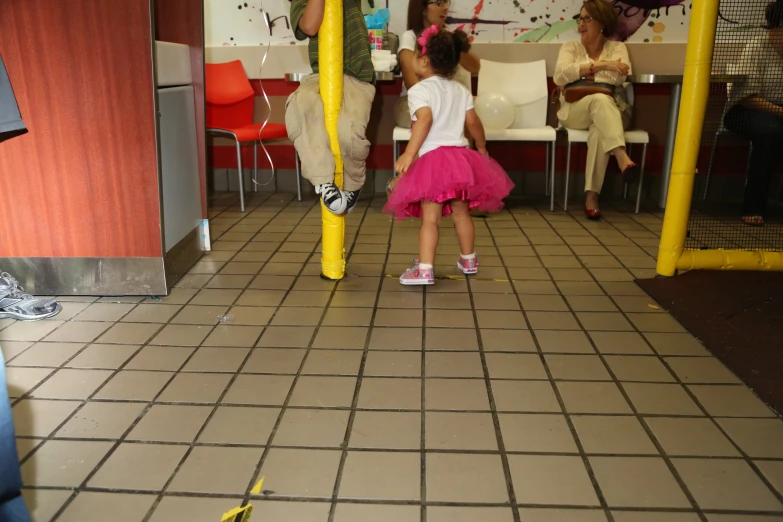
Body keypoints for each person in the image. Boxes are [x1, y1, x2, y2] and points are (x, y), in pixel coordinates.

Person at [384, 27, 514, 286]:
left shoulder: (419, 91)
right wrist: (481, 146)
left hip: (434, 163)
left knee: (430, 219)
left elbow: (425, 120)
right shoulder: (460, 90)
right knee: (461, 214)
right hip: (461, 162)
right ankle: (468, 259)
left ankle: (424, 268)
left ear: (423, 60)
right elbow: (474, 122)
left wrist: (409, 154)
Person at [286, 0, 376, 215]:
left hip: (356, 76)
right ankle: (322, 180)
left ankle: (353, 184)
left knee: (348, 132)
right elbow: (309, 26)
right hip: (321, 75)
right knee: (300, 105)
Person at [553, 0, 638, 221]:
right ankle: (621, 156)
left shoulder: (617, 48)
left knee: (600, 127)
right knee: (600, 99)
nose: (581, 24)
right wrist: (600, 66)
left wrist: (580, 73)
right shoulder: (570, 47)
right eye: (580, 19)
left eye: (587, 19)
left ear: (602, 22)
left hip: (609, 113)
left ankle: (591, 197)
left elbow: (619, 77)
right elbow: (560, 76)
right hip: (574, 111)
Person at [723, 0, 783, 226]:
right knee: (770, 130)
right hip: (746, 110)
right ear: (776, 26)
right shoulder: (756, 47)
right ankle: (753, 205)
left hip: (779, 112)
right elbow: (746, 97)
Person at [395, 0, 481, 129]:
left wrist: (454, 43)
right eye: (439, 3)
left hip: (447, 101)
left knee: (465, 115)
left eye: (446, 3)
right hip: (414, 102)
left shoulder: (449, 37)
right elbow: (412, 85)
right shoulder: (410, 37)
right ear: (423, 9)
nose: (446, 7)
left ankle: (464, 148)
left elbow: (475, 67)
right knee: (446, 117)